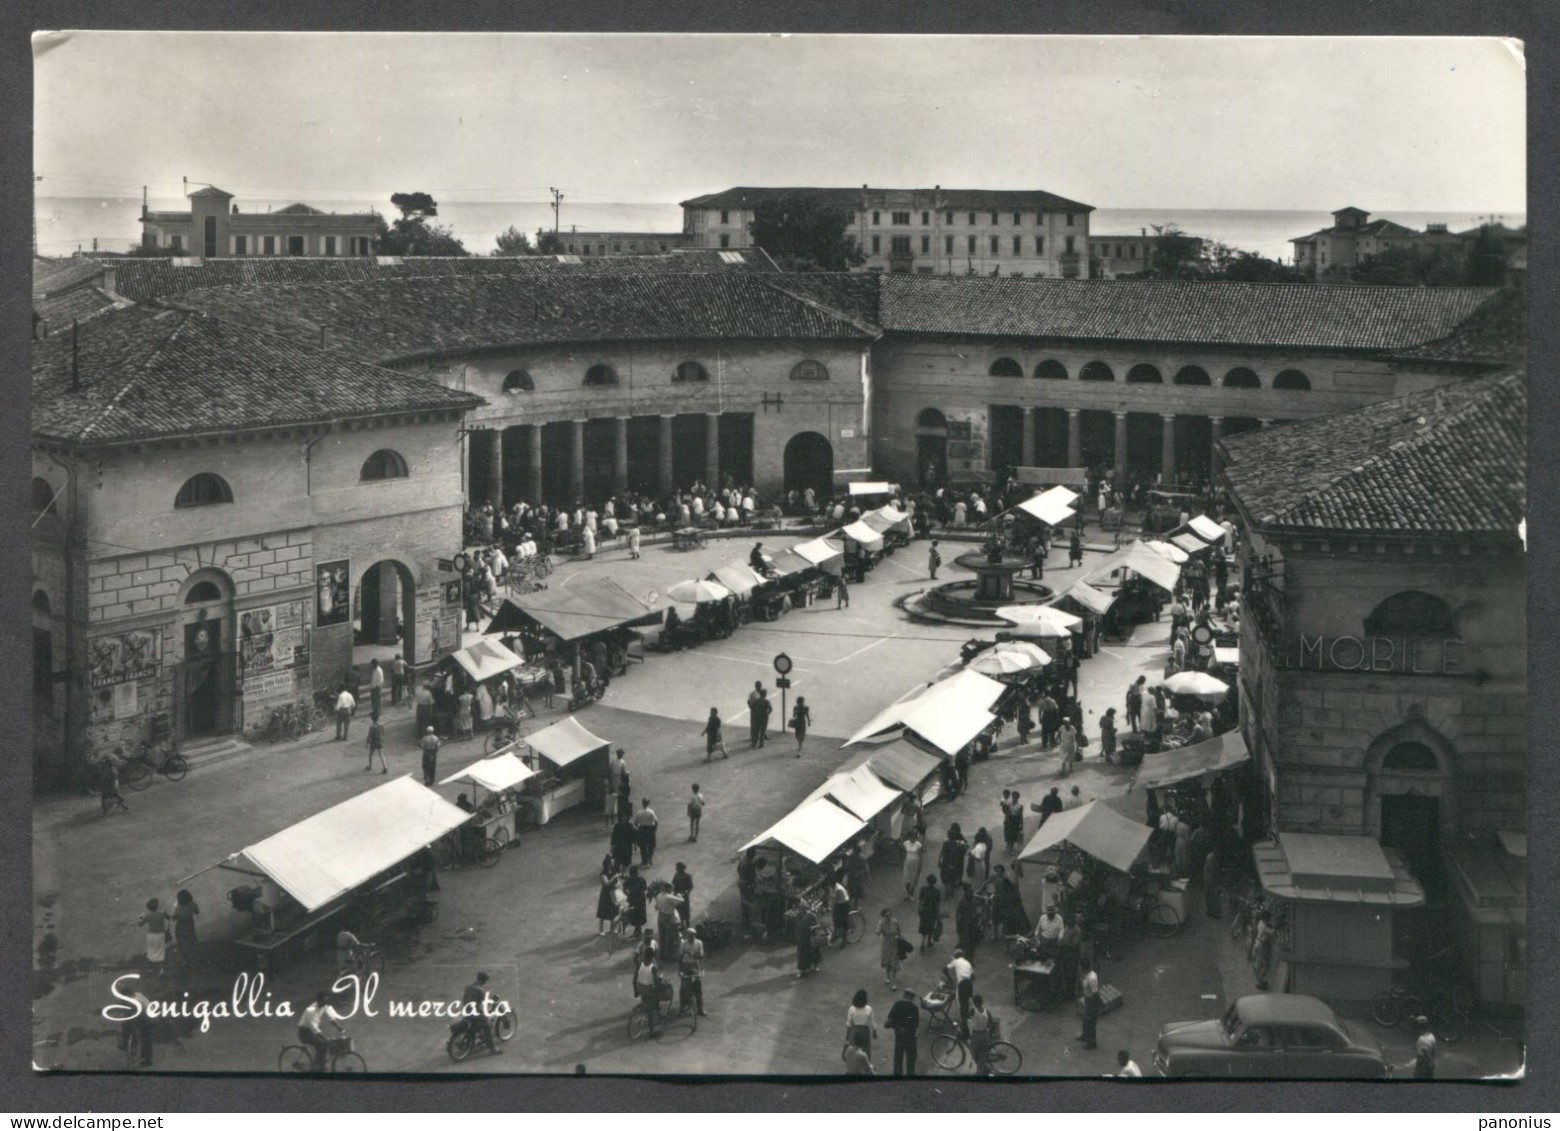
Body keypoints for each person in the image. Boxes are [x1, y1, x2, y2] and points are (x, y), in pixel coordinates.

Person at [298, 990, 346, 1072]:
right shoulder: (311, 1010)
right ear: (319, 1000)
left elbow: (330, 1018)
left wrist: (338, 1026)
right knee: (322, 1044)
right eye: (324, 1001)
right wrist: (325, 1039)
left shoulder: (324, 1006)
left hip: (312, 1031)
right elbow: (315, 1029)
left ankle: (319, 1062)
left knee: (324, 1044)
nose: (325, 1004)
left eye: (326, 1001)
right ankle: (317, 1066)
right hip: (304, 1032)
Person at [461, 972, 502, 1055]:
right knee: (487, 1026)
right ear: (483, 980)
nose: (485, 982)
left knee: (476, 1025)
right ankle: (492, 1048)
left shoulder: (468, 987)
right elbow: (486, 1001)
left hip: (466, 1011)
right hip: (475, 1013)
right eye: (485, 980)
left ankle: (473, 1043)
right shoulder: (480, 990)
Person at [632, 949, 665, 1037]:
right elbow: (656, 982)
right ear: (652, 957)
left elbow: (636, 977)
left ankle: (644, 1008)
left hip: (640, 987)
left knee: (645, 1001)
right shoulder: (653, 968)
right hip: (648, 990)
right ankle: (651, 1031)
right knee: (652, 1008)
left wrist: (635, 990)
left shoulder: (640, 964)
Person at [678, 926, 706, 1017]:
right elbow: (680, 957)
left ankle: (700, 1008)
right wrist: (680, 970)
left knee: (698, 986)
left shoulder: (699, 943)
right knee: (683, 986)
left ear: (695, 935)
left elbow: (701, 956)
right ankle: (683, 1006)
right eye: (689, 935)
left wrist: (693, 955)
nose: (690, 937)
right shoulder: (683, 944)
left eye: (692, 935)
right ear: (686, 936)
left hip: (695, 965)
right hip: (685, 966)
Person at [944, 949, 975, 1031]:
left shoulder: (956, 961)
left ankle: (963, 1027)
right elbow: (973, 977)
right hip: (969, 983)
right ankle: (967, 1023)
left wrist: (951, 980)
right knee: (968, 1003)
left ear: (956, 956)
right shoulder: (967, 963)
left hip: (962, 984)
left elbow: (945, 969)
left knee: (962, 1005)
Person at [138, 898, 169, 979]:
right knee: (160, 952)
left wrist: (140, 917)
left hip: (151, 935)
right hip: (160, 934)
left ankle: (150, 969)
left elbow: (139, 924)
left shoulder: (147, 915)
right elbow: (169, 917)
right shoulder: (162, 913)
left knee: (150, 952)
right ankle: (161, 969)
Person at [171, 888, 200, 969]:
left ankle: (184, 960)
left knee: (181, 942)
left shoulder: (179, 907)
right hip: (190, 923)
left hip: (181, 925)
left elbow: (173, 918)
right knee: (191, 939)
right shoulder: (193, 904)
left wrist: (175, 907)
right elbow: (197, 912)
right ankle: (194, 958)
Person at [846, 988, 878, 1061]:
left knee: (855, 1048)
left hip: (855, 1031)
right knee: (865, 1049)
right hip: (864, 1031)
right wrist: (874, 1031)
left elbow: (849, 1023)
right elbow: (872, 1021)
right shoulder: (867, 1008)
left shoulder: (852, 1009)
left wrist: (847, 1034)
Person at [877, 907, 905, 988]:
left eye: (890, 915)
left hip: (894, 945)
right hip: (886, 945)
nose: (889, 917)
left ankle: (894, 983)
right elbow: (877, 933)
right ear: (883, 916)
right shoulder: (881, 923)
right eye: (886, 916)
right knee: (887, 961)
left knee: (894, 963)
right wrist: (880, 925)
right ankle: (887, 976)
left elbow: (899, 931)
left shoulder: (895, 922)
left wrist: (898, 937)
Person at [967, 995, 995, 1076]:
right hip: (984, 1034)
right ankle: (984, 1068)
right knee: (983, 1053)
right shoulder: (987, 1011)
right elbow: (991, 1023)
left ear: (975, 1003)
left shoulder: (973, 1010)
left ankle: (980, 1072)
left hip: (976, 1035)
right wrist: (987, 1030)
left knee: (974, 1053)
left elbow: (967, 1018)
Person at [1077, 958, 1101, 1049]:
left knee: (1090, 1021)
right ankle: (1085, 1035)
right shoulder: (1086, 975)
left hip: (1091, 1000)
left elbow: (1095, 993)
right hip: (1087, 998)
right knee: (1084, 1018)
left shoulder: (1092, 977)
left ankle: (1091, 1043)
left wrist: (1094, 1006)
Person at [955, 883, 983, 959]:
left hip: (972, 923)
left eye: (972, 891)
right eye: (970, 891)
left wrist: (978, 919)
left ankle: (970, 957)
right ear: (966, 891)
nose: (971, 893)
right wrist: (958, 926)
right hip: (964, 924)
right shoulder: (961, 901)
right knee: (964, 941)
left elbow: (977, 910)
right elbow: (958, 914)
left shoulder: (973, 900)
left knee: (972, 942)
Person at [1251, 911, 1277, 990]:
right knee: (1265, 966)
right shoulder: (1264, 926)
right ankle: (1260, 982)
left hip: (1258, 944)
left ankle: (1260, 980)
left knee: (1259, 964)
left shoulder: (1261, 922)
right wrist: (1276, 927)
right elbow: (1272, 932)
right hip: (1261, 945)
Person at [938, 825, 968, 889]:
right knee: (955, 871)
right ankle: (954, 883)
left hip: (953, 859)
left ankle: (955, 882)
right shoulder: (954, 842)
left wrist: (939, 860)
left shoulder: (948, 842)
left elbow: (942, 852)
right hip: (956, 858)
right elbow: (965, 846)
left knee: (954, 871)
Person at [918, 875, 942, 952]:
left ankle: (922, 943)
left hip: (924, 910)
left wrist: (919, 910)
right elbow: (937, 904)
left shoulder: (923, 889)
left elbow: (920, 900)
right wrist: (938, 913)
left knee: (923, 927)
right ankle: (929, 941)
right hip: (932, 911)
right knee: (931, 926)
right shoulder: (937, 892)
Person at [633, 799, 659, 866]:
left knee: (642, 845)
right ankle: (649, 859)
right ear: (648, 803)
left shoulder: (639, 812)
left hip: (642, 829)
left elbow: (635, 822)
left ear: (642, 803)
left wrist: (639, 827)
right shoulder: (651, 812)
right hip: (650, 829)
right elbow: (656, 821)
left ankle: (644, 860)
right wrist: (655, 828)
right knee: (651, 845)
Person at [624, 865, 648, 938]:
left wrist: (628, 894)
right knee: (639, 915)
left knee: (635, 915)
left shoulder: (628, 880)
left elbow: (624, 888)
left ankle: (637, 931)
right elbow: (645, 889)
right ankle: (638, 931)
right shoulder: (641, 880)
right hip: (640, 900)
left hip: (632, 899)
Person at [901, 829, 924, 902]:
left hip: (915, 863)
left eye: (913, 837)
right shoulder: (906, 843)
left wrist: (920, 866)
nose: (912, 838)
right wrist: (903, 862)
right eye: (911, 837)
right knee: (906, 880)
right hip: (907, 862)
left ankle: (911, 894)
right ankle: (909, 893)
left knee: (913, 880)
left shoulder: (918, 845)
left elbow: (920, 856)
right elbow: (904, 854)